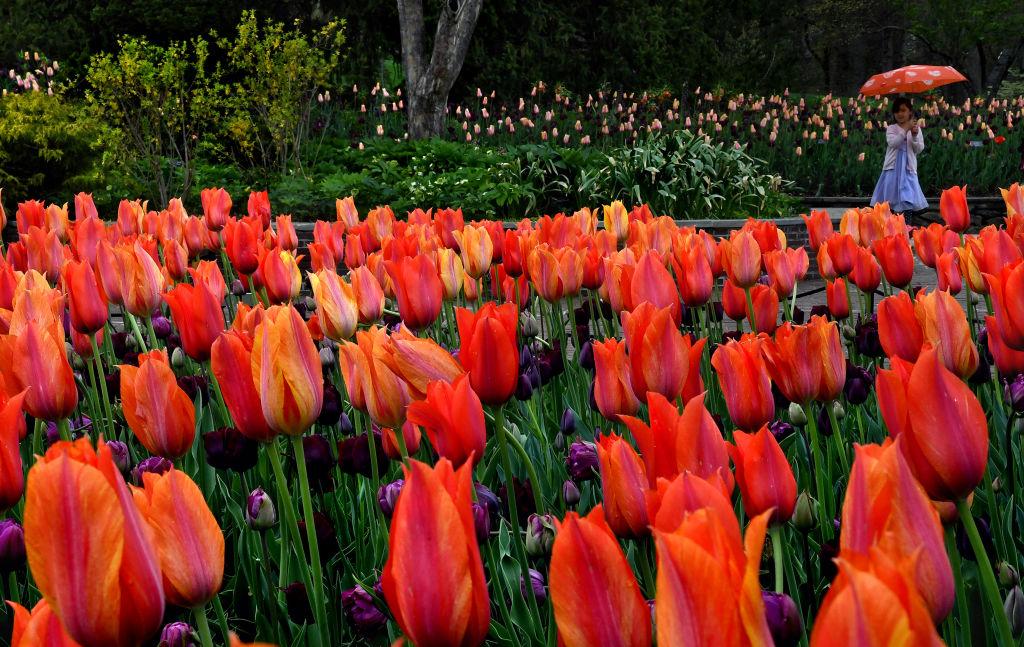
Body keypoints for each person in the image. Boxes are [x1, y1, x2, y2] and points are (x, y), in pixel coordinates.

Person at [870, 96, 928, 213]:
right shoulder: (891, 128)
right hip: (893, 169)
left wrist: (915, 135)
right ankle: (891, 225)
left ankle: (906, 227)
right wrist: (906, 129)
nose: (899, 114)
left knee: (908, 198)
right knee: (890, 199)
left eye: (903, 110)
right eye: (896, 111)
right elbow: (893, 143)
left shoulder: (916, 129)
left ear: (910, 112)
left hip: (908, 169)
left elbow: (919, 149)